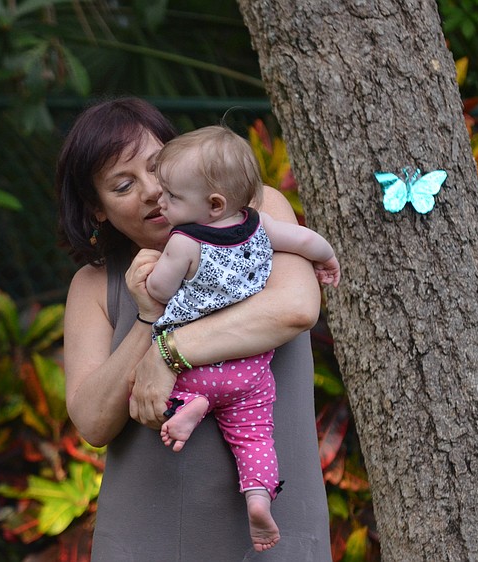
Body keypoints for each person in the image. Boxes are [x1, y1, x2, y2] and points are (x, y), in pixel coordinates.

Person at [56, 97, 333, 561]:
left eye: (157, 167)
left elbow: (295, 309)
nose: (150, 191)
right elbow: (92, 421)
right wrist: (147, 316)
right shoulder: (93, 285)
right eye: (123, 185)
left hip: (274, 533)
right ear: (97, 208)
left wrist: (169, 352)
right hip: (144, 538)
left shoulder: (257, 213)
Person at [143, 125, 340, 552]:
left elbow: (159, 290)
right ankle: (257, 496)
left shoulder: (183, 242)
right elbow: (306, 240)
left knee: (148, 392)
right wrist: (326, 261)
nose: (160, 202)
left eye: (171, 197)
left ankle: (187, 407)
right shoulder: (259, 225)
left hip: (194, 368)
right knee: (254, 438)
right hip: (250, 368)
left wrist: (150, 275)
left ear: (213, 204)